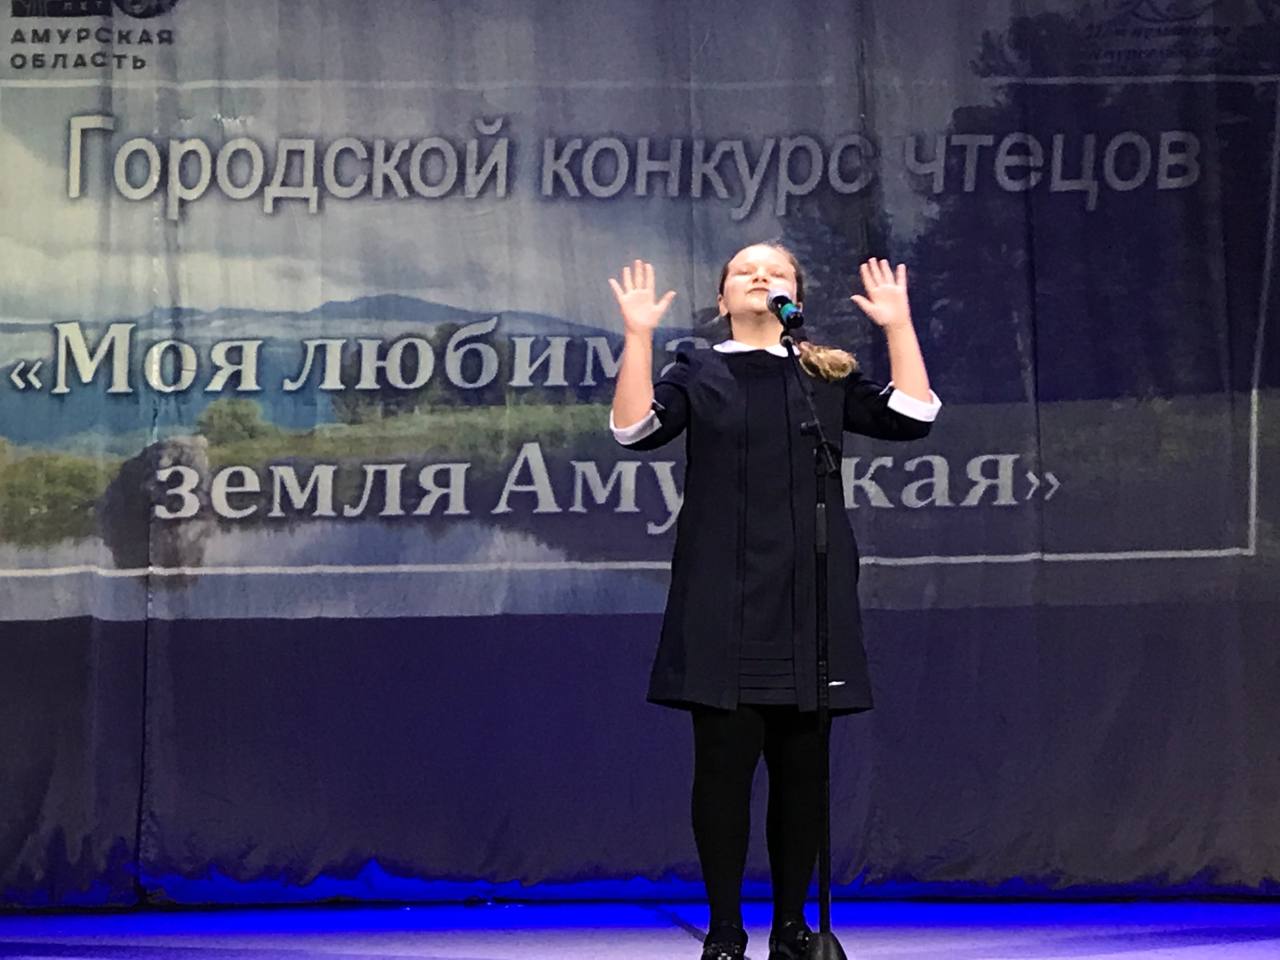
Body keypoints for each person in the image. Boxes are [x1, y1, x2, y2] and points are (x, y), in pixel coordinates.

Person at [607, 243, 940, 960]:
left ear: (796, 297)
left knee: (802, 776)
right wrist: (637, 337)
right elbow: (635, 430)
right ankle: (726, 928)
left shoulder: (822, 372)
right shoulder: (698, 368)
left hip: (808, 599)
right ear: (722, 298)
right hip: (722, 600)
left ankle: (792, 927)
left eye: (777, 271)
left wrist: (897, 326)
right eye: (744, 270)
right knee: (723, 773)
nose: (761, 276)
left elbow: (912, 416)